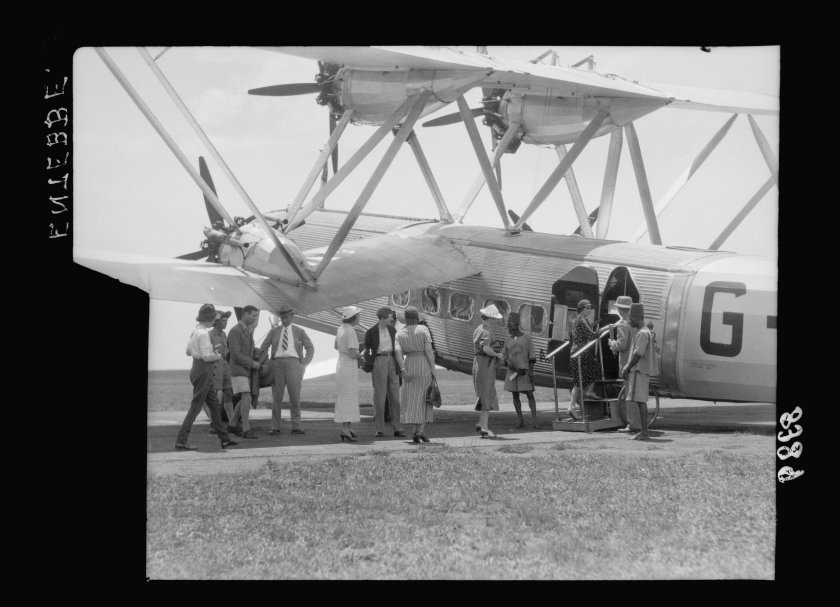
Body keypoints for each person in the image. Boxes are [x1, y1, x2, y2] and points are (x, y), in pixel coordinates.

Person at [176, 304, 237, 451]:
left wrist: (207, 352)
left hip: (197, 369)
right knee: (195, 407)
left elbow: (188, 352)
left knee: (215, 406)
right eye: (213, 319)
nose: (214, 322)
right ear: (209, 319)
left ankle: (224, 439)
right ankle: (181, 440)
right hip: (204, 370)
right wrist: (217, 355)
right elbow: (206, 357)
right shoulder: (203, 334)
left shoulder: (195, 332)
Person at [260, 304, 314, 435]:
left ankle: (296, 425)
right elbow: (263, 347)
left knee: (295, 397)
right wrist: (268, 363)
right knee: (276, 397)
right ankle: (275, 427)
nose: (284, 320)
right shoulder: (274, 331)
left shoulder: (299, 331)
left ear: (292, 316)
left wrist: (303, 364)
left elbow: (310, 348)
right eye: (282, 317)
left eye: (286, 317)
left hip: (294, 364)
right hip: (277, 364)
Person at [364, 307, 406, 438]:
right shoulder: (371, 332)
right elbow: (368, 349)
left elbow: (398, 348)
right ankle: (379, 429)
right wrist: (370, 362)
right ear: (383, 317)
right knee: (380, 397)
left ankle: (398, 428)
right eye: (390, 317)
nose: (392, 319)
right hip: (379, 361)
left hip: (392, 361)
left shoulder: (393, 330)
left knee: (395, 396)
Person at [396, 306, 435, 443]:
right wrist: (433, 369)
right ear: (417, 318)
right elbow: (429, 351)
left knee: (412, 399)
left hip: (409, 364)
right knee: (425, 398)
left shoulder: (399, 333)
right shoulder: (423, 330)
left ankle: (414, 431)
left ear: (405, 319)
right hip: (423, 364)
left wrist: (402, 369)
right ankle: (421, 431)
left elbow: (398, 353)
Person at [226, 305, 262, 439]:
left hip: (245, 371)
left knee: (244, 398)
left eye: (256, 316)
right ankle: (246, 429)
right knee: (247, 396)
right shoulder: (235, 331)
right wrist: (252, 363)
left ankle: (232, 425)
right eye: (253, 315)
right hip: (238, 370)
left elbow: (248, 351)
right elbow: (235, 354)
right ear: (245, 314)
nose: (255, 318)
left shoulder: (247, 331)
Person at [621, 303, 654, 441]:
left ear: (639, 318)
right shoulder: (643, 332)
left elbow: (638, 353)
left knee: (641, 402)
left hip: (639, 371)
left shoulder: (642, 333)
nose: (630, 321)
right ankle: (643, 431)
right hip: (639, 371)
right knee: (640, 401)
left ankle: (644, 432)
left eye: (632, 318)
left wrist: (627, 367)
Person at [473, 304, 505, 438]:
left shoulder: (479, 329)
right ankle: (484, 428)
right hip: (485, 365)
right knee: (487, 396)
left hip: (479, 363)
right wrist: (497, 355)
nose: (496, 321)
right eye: (495, 319)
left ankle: (481, 423)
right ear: (490, 318)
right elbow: (486, 348)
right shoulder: (486, 331)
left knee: (485, 394)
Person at [502, 312, 538, 428]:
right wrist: (508, 363)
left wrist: (531, 371)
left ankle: (534, 421)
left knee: (529, 394)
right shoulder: (508, 340)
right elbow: (505, 356)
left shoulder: (527, 338)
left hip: (525, 371)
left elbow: (532, 355)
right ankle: (520, 421)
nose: (509, 329)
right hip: (512, 373)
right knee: (515, 395)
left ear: (517, 325)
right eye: (507, 326)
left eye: (511, 326)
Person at [608, 295, 637, 432]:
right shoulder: (634, 323)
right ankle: (636, 422)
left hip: (626, 363)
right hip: (635, 362)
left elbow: (622, 345)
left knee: (628, 395)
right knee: (634, 394)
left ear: (620, 309)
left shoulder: (622, 324)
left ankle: (632, 423)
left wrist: (612, 343)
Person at [335, 306, 364, 442]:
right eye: (358, 315)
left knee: (345, 396)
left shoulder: (341, 328)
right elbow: (353, 353)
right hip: (348, 366)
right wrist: (361, 355)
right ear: (354, 317)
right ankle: (345, 430)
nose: (360, 317)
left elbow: (336, 346)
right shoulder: (351, 331)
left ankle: (348, 428)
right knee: (349, 397)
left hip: (341, 363)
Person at [568, 299, 601, 420]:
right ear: (582, 309)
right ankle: (589, 391)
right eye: (587, 308)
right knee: (597, 367)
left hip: (574, 351)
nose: (589, 310)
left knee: (577, 382)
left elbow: (571, 338)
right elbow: (592, 335)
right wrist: (599, 330)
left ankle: (571, 406)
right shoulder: (582, 320)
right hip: (582, 352)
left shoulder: (574, 321)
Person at [204, 310, 234, 432]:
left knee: (228, 394)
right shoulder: (209, 335)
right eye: (223, 320)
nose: (225, 323)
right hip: (215, 366)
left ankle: (232, 423)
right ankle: (214, 423)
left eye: (226, 320)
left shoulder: (224, 335)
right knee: (217, 396)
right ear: (216, 322)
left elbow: (227, 352)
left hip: (225, 366)